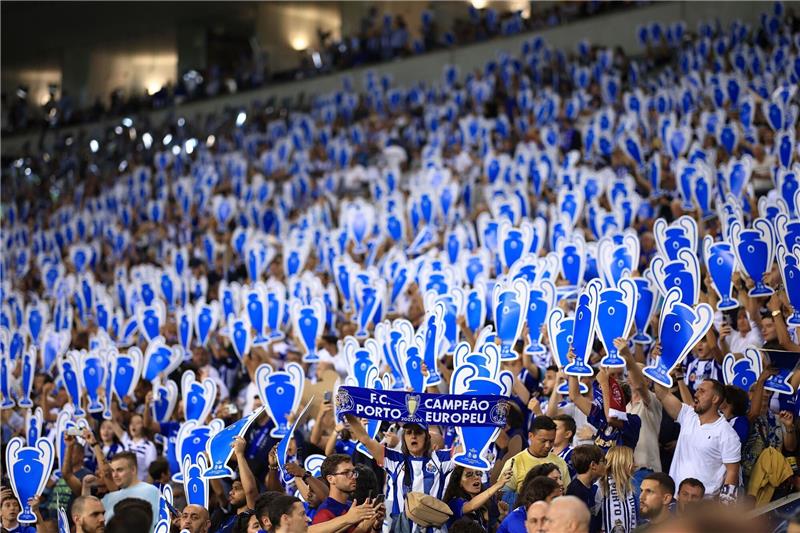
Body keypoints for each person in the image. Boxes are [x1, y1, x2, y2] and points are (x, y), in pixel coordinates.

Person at [346, 417, 452, 530]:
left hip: (432, 528)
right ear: (404, 438)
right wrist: (347, 413)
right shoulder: (395, 459)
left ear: (427, 437)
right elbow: (365, 439)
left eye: (418, 432)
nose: (413, 436)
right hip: (401, 528)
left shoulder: (441, 459)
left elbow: (464, 451)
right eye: (409, 432)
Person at [652, 378, 740, 500]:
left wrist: (726, 504)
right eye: (697, 390)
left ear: (715, 399)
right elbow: (662, 394)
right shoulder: (688, 415)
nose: (696, 394)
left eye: (702, 391)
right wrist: (662, 370)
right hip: (676, 499)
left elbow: (732, 472)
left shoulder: (727, 434)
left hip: (703, 505)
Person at [503, 416, 571, 494]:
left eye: (551, 441)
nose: (548, 445)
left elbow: (567, 492)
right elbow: (503, 495)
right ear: (531, 436)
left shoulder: (560, 462)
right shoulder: (514, 463)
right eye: (543, 441)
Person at [312, 454, 378, 532]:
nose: (354, 476)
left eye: (353, 472)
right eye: (346, 473)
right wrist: (363, 527)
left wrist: (375, 525)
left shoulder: (352, 506)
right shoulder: (324, 513)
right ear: (330, 479)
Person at [100, 452, 160, 532]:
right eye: (113, 471)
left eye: (119, 470)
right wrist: (86, 487)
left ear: (133, 470)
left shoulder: (151, 491)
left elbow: (154, 525)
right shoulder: (109, 497)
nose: (115, 475)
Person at [443, 466, 513, 529]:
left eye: (478, 474)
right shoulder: (455, 502)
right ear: (459, 482)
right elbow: (471, 506)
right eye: (469, 475)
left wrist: (501, 517)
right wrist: (498, 485)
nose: (476, 477)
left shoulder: (484, 505)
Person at [599, 446, 637, 533]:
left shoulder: (629, 488)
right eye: (632, 461)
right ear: (621, 463)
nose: (635, 465)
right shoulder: (600, 487)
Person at [566, 445, 604, 531]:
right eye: (602, 461)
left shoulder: (591, 487)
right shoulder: (575, 491)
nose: (605, 465)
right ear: (593, 465)